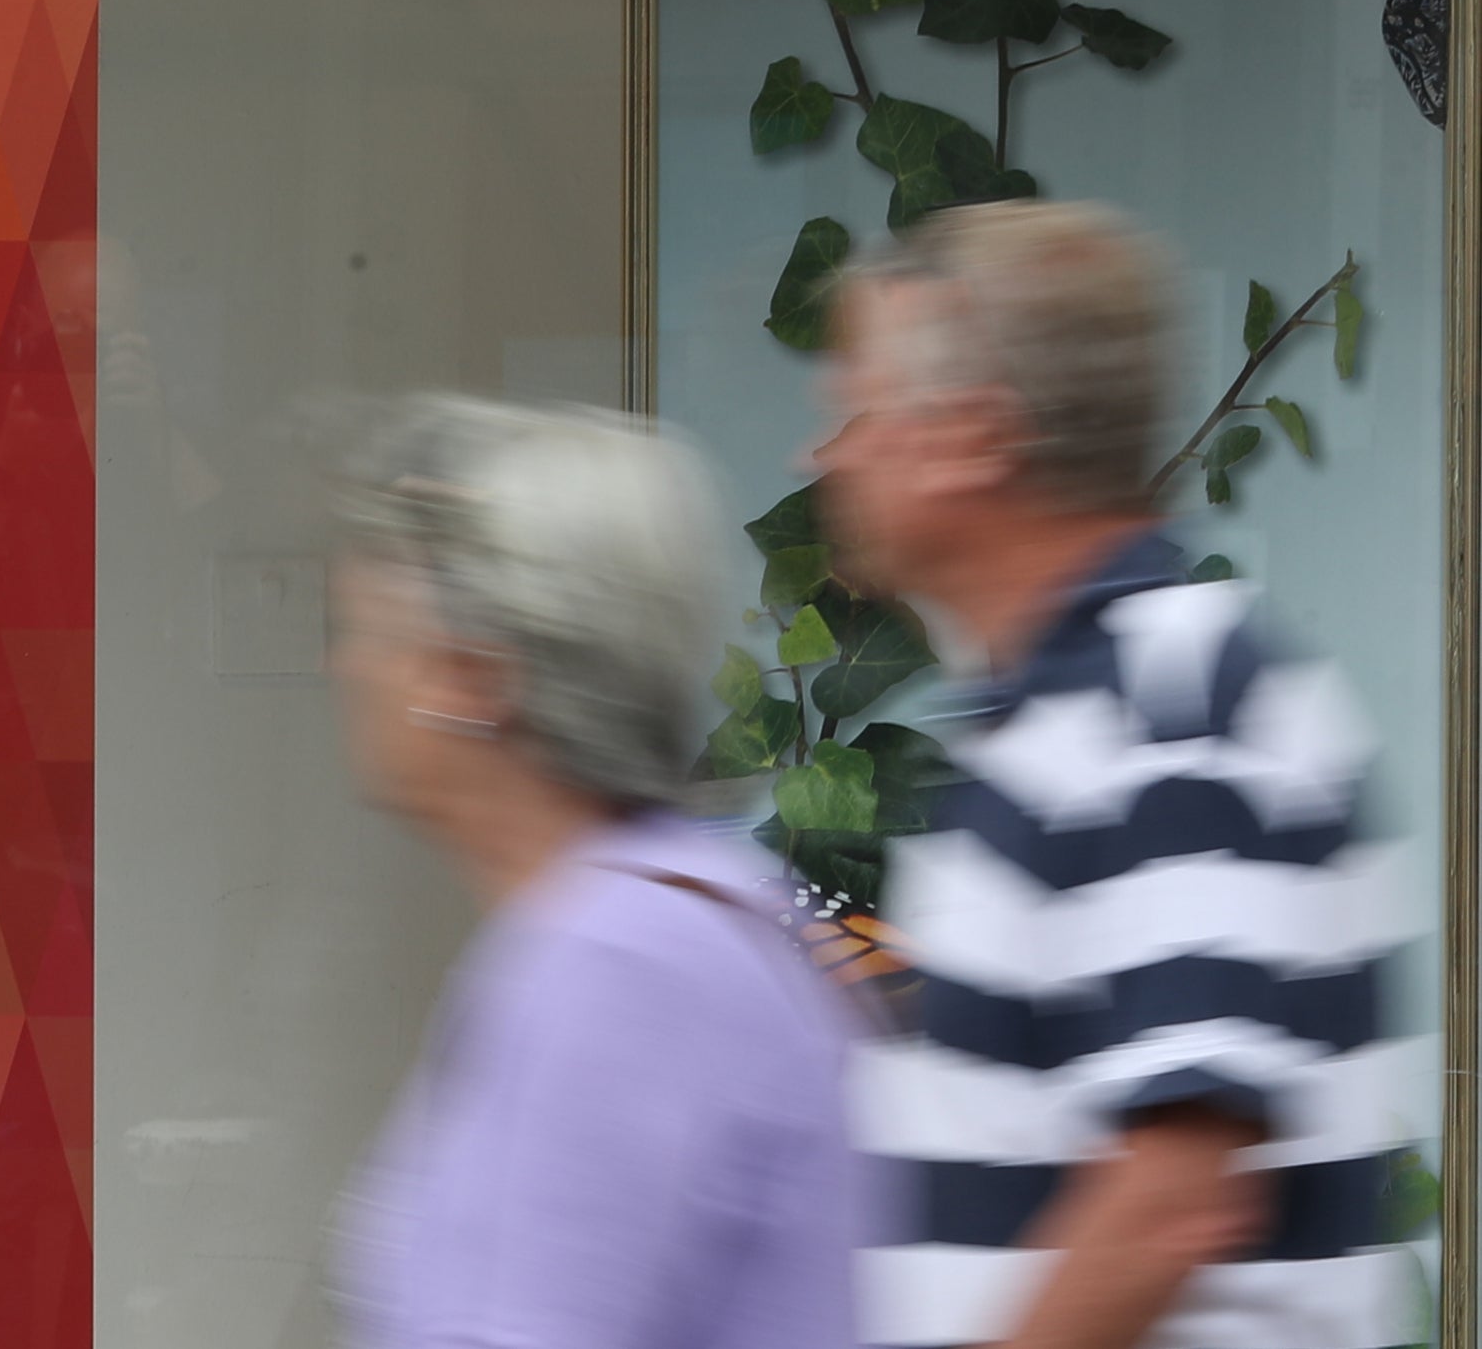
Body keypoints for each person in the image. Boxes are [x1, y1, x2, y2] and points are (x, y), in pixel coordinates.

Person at [815, 200, 1425, 1349]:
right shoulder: (1067, 716)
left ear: (969, 435)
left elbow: (1169, 1201)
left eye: (854, 411)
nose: (825, 453)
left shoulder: (1171, 706)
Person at [324, 395, 860, 1349]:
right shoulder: (662, 918)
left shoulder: (619, 964)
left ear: (476, 677)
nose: (348, 669)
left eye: (371, 632)